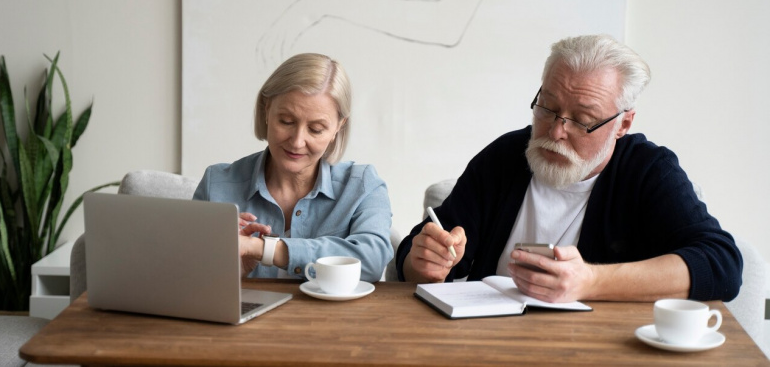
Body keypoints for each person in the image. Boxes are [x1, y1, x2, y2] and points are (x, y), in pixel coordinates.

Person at [396, 34, 743, 302]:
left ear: (623, 124)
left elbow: (721, 265)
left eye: (583, 120)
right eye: (547, 108)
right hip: (491, 344)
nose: (556, 131)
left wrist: (590, 281)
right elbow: (416, 254)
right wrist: (424, 263)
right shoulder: (505, 158)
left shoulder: (648, 171)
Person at [193, 53, 393, 282]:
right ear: (266, 110)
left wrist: (259, 248)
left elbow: (371, 263)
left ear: (339, 126)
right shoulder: (216, 184)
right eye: (286, 122)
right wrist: (230, 273)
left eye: (316, 129)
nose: (297, 141)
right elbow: (184, 275)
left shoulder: (362, 185)